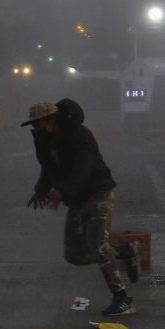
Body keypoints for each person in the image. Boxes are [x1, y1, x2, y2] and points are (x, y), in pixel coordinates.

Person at [22, 99, 139, 316]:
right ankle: (124, 250)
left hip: (97, 192)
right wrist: (41, 189)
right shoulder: (43, 140)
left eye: (38, 124)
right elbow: (48, 168)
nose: (35, 129)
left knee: (97, 244)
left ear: (52, 120)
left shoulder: (79, 136)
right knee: (74, 254)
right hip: (76, 198)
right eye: (33, 126)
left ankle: (122, 298)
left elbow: (83, 171)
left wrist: (62, 192)